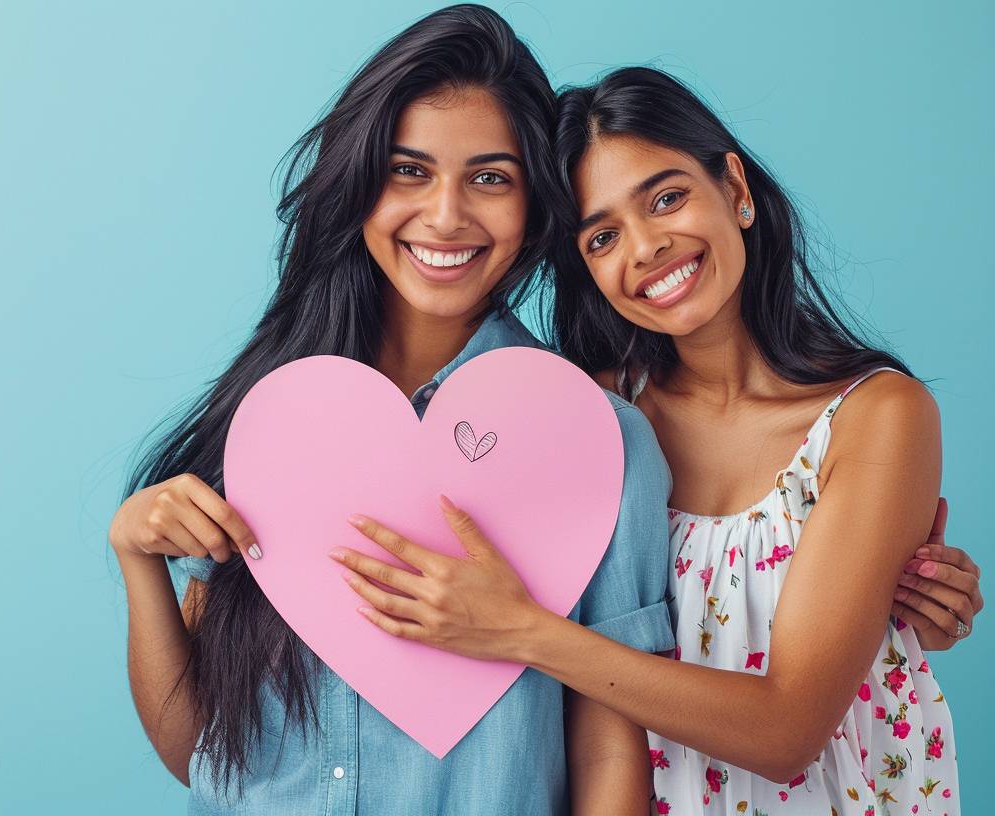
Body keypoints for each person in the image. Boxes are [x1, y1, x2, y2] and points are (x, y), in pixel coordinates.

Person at [334, 67, 978, 812]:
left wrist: (523, 630)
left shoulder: (873, 414)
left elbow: (788, 730)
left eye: (666, 198)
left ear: (735, 190)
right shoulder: (592, 416)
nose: (644, 248)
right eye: (603, 235)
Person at [109, 6, 673, 813]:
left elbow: (610, 752)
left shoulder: (597, 441)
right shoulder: (272, 420)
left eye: (489, 178)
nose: (445, 216)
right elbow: (199, 755)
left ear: (534, 207)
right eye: (409, 170)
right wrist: (138, 563)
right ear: (360, 182)